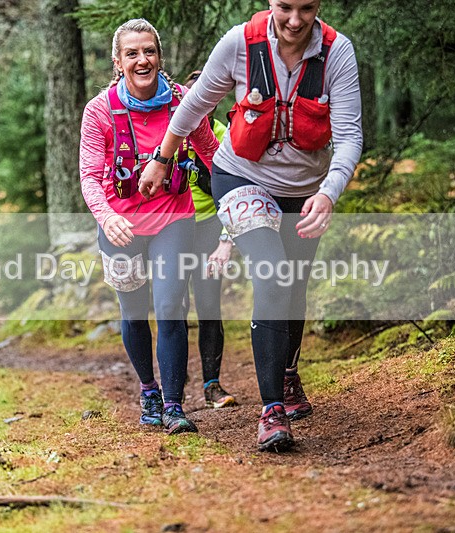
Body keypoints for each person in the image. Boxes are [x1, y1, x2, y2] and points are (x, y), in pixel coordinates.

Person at [139, 0, 362, 451]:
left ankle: (288, 371)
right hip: (242, 177)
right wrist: (162, 160)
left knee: (293, 285)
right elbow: (192, 106)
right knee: (273, 273)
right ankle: (272, 410)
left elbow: (350, 134)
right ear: (269, 4)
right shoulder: (240, 43)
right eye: (285, 7)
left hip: (306, 189)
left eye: (306, 8)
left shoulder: (337, 52)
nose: (295, 21)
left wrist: (328, 192)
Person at [79, 19, 219, 434]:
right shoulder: (99, 110)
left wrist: (236, 200)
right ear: (118, 62)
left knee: (171, 307)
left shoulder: (183, 102)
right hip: (120, 224)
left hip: (174, 217)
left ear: (160, 55)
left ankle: (175, 405)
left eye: (149, 51)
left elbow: (210, 152)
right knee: (133, 313)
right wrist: (107, 216)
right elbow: (89, 175)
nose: (143, 60)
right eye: (132, 53)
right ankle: (149, 390)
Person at [182, 70, 237, 409]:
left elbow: (230, 190)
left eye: (209, 98)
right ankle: (172, 386)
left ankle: (212, 384)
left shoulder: (223, 136)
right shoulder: (170, 134)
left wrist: (224, 239)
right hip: (171, 229)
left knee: (208, 308)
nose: (201, 104)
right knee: (172, 308)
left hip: (208, 228)